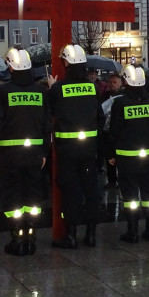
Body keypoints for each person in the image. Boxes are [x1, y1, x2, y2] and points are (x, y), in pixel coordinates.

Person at [0, 47, 50, 256]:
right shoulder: (41, 91)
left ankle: (17, 240)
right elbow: (46, 125)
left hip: (9, 155)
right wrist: (44, 153)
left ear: (10, 66)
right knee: (33, 197)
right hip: (34, 155)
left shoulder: (3, 91)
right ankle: (31, 239)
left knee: (12, 197)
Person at [48, 45, 105, 248]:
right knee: (91, 190)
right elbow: (101, 118)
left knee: (70, 192)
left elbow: (51, 112)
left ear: (66, 63)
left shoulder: (57, 88)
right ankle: (91, 235)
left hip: (67, 152)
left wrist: (52, 86)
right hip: (89, 150)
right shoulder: (93, 87)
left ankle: (71, 236)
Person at [108, 65, 149, 243]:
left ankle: (133, 232)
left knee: (130, 197)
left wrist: (110, 154)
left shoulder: (120, 103)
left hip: (127, 159)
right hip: (148, 158)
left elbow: (114, 131)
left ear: (126, 82)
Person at [99, 73, 124, 189]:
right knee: (108, 155)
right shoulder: (105, 96)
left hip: (120, 131)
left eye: (115, 82)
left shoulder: (124, 97)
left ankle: (122, 179)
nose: (112, 85)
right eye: (110, 82)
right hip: (107, 131)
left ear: (121, 83)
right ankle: (111, 180)